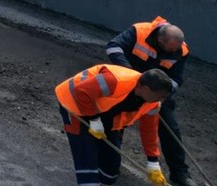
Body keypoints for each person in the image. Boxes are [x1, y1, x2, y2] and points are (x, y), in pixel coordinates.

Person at [106, 17, 194, 186]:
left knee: (170, 128)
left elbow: (176, 79)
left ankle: (180, 173)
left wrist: (162, 94)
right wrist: (133, 77)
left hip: (157, 92)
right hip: (130, 86)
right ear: (160, 40)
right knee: (117, 122)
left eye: (174, 49)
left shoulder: (181, 50)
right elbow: (113, 47)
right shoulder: (139, 31)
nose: (172, 52)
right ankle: (110, 162)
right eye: (169, 49)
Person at [55, 65, 173, 186]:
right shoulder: (115, 81)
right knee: (86, 155)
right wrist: (94, 120)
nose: (161, 100)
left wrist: (152, 162)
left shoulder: (152, 103)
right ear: (146, 89)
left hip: (104, 115)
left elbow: (149, 130)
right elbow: (81, 91)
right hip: (75, 104)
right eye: (161, 96)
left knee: (110, 170)